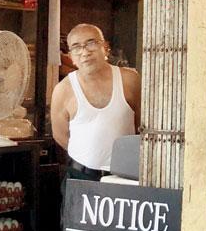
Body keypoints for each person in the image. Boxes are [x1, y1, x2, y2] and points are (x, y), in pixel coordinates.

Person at [51, 24, 141, 181]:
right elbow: (60, 135)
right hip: (80, 175)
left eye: (91, 43)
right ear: (70, 56)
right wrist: (89, 156)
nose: (85, 52)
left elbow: (142, 124)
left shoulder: (130, 80)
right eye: (76, 47)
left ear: (105, 47)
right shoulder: (63, 89)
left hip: (124, 176)